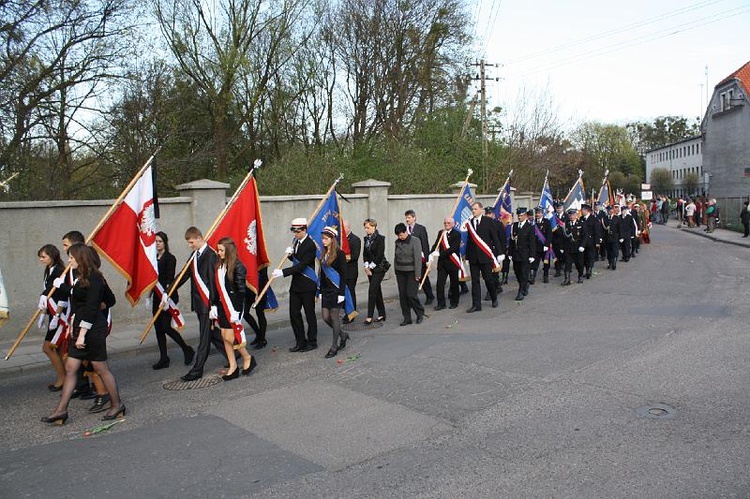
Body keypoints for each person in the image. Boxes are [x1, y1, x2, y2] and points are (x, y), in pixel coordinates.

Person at [42, 243, 124, 425]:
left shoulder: (95, 278)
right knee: (71, 368)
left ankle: (117, 404)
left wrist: (82, 334)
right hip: (79, 326)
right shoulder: (81, 277)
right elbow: (77, 296)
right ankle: (61, 410)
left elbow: (100, 303)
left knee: (100, 368)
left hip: (92, 329)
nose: (69, 260)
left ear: (81, 258)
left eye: (71, 257)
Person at [175, 227, 226, 382]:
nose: (190, 245)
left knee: (204, 338)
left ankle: (197, 370)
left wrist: (214, 305)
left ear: (199, 238)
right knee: (212, 334)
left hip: (207, 304)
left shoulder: (211, 255)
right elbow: (184, 275)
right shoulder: (194, 255)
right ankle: (235, 351)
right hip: (199, 303)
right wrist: (168, 291)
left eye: (191, 242)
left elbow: (213, 282)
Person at [212, 237, 256, 380]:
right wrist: (213, 304)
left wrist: (237, 310)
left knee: (231, 337)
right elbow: (216, 288)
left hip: (233, 306)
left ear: (229, 250)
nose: (218, 253)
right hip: (222, 305)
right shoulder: (220, 265)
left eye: (221, 250)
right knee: (225, 336)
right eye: (218, 250)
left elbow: (241, 291)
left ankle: (247, 357)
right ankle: (233, 366)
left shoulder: (238, 266)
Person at [272, 218, 318, 352]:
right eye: (293, 231)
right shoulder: (296, 242)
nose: (295, 234)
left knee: (309, 314)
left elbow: (302, 266)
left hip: (308, 284)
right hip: (296, 285)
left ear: (304, 230)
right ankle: (300, 341)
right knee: (294, 314)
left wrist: (283, 272)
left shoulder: (310, 244)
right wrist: (290, 255)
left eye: (297, 231)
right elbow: (296, 260)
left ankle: (312, 341)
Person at [151, 231, 195, 370]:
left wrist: (166, 296)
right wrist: (149, 296)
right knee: (158, 328)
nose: (157, 244)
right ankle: (164, 358)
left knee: (165, 326)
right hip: (156, 296)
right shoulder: (152, 258)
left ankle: (186, 348)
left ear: (165, 243)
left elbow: (169, 279)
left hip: (167, 295)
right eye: (156, 241)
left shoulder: (170, 258)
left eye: (160, 241)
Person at [37, 244, 66, 391]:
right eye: (40, 257)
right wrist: (43, 314)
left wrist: (56, 316)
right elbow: (47, 295)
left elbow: (62, 296)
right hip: (53, 314)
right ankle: (68, 379)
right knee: (58, 349)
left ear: (52, 256)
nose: (41, 259)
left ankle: (62, 379)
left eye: (44, 256)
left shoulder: (60, 271)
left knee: (48, 348)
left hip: (60, 317)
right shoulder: (49, 270)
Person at [318, 227, 350, 357]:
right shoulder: (324, 253)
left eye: (326, 239)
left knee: (334, 317)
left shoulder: (339, 253)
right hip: (326, 291)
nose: (323, 241)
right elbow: (321, 274)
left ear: (332, 239)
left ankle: (334, 346)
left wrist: (342, 293)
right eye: (323, 238)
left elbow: (343, 275)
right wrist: (320, 290)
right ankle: (343, 334)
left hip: (336, 290)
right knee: (325, 317)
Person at [464, 202, 503, 312]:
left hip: (485, 256)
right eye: (472, 209)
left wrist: (500, 253)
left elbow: (495, 238)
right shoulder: (470, 222)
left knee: (488, 279)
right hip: (473, 257)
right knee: (475, 281)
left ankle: (494, 297)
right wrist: (467, 256)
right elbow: (469, 240)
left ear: (481, 210)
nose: (473, 211)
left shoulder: (488, 221)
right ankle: (476, 305)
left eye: (475, 209)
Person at [393, 223, 424, 326]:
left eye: (401, 235)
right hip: (400, 272)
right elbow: (395, 257)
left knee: (411, 294)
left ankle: (420, 313)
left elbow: (418, 258)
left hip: (412, 271)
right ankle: (407, 318)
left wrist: (418, 274)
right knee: (403, 296)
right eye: (398, 235)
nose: (399, 237)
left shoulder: (415, 241)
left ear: (406, 232)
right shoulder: (397, 242)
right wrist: (396, 270)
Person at [428, 216, 462, 310]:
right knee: (440, 284)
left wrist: (440, 254)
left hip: (452, 262)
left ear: (453, 224)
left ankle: (454, 302)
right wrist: (431, 253)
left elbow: (453, 248)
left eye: (448, 223)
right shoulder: (441, 233)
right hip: (442, 264)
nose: (446, 225)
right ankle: (441, 303)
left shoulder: (457, 234)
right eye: (445, 223)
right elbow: (436, 244)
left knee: (454, 283)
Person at [405, 210, 434, 305]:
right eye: (406, 217)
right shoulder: (405, 230)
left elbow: (425, 244)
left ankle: (430, 296)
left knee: (423, 278)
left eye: (409, 217)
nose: (407, 219)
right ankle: (412, 298)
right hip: (410, 259)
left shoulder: (421, 228)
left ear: (414, 218)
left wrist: (427, 259)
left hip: (420, 258)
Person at [362, 218, 387, 324]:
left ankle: (369, 316)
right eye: (365, 228)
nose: (366, 230)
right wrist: (366, 264)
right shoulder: (366, 239)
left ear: (374, 227)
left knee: (372, 290)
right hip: (370, 268)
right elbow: (365, 253)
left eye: (368, 227)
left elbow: (380, 255)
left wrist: (370, 266)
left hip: (379, 267)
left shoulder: (380, 239)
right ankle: (382, 314)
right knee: (377, 291)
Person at [509, 208, 536, 301]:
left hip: (525, 253)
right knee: (517, 272)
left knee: (524, 272)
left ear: (525, 216)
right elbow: (512, 240)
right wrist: (510, 253)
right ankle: (524, 284)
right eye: (518, 215)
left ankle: (520, 291)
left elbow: (532, 242)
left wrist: (532, 255)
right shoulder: (515, 226)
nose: (519, 217)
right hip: (516, 254)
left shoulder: (530, 227)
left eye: (521, 215)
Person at [244, 266, 270, 349]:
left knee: (260, 314)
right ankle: (258, 334)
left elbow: (264, 277)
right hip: (248, 289)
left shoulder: (260, 259)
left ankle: (262, 339)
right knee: (245, 313)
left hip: (259, 288)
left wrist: (259, 292)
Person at [560, 208, 585, 285]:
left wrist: (582, 245)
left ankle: (580, 276)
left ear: (576, 215)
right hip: (568, 247)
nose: (571, 217)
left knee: (579, 263)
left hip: (577, 247)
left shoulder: (581, 224)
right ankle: (567, 279)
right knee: (567, 263)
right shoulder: (566, 224)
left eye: (573, 215)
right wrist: (561, 247)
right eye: (570, 215)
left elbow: (585, 236)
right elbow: (562, 237)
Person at [343, 220, 361, 323]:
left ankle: (351, 314)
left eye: (344, 228)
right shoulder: (339, 239)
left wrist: (342, 258)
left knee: (350, 292)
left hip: (350, 272)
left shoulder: (355, 240)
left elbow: (354, 256)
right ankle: (346, 311)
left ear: (348, 228)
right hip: (342, 272)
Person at [531, 207, 551, 284]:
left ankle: (545, 276)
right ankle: (533, 277)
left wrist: (547, 244)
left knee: (546, 262)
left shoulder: (546, 222)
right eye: (536, 213)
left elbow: (549, 234)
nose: (537, 214)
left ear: (542, 213)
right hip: (535, 247)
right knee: (534, 262)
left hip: (544, 246)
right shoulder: (532, 222)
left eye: (539, 213)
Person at [580, 203, 601, 279]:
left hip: (591, 241)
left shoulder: (594, 219)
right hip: (583, 242)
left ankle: (589, 269)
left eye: (583, 210)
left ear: (587, 211)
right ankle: (586, 269)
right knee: (584, 257)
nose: (582, 211)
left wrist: (597, 242)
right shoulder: (581, 219)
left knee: (590, 257)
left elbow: (597, 231)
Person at [603, 205, 622, 270]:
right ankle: (610, 262)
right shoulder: (604, 218)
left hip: (615, 237)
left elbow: (620, 228)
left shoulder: (617, 218)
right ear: (607, 211)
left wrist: (621, 237)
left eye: (611, 210)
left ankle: (614, 262)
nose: (610, 212)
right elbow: (602, 229)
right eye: (609, 210)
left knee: (614, 250)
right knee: (609, 251)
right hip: (607, 237)